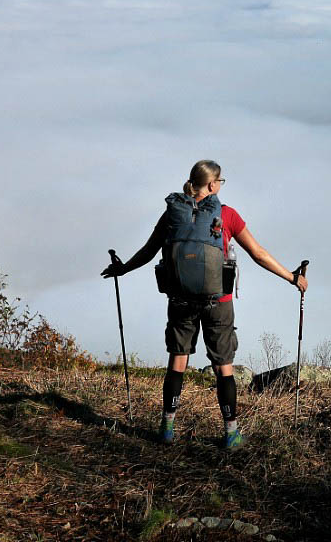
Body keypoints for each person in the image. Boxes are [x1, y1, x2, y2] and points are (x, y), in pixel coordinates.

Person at [101, 160, 308, 449]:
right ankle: (231, 433)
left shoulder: (173, 214)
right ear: (212, 185)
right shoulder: (226, 215)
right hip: (218, 302)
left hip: (180, 299)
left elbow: (149, 251)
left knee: (177, 360)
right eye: (220, 181)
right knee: (224, 366)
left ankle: (167, 429)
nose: (221, 186)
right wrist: (291, 277)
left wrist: (122, 270)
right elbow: (258, 254)